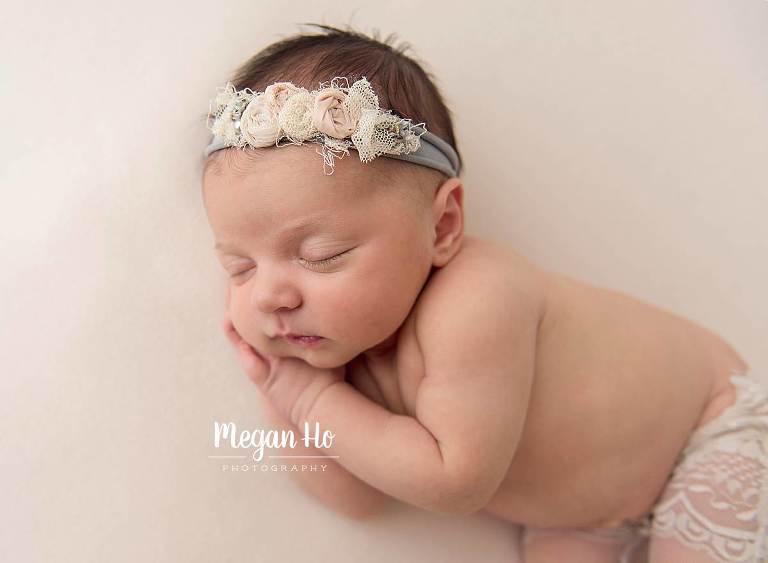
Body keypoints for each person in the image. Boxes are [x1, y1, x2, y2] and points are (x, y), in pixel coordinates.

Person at [200, 23, 768, 562]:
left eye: (322, 255)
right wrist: (280, 391)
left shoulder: (477, 296)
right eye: (241, 267)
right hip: (582, 511)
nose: (272, 294)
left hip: (704, 430)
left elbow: (454, 481)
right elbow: (358, 498)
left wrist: (310, 401)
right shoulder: (342, 358)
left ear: (442, 226)